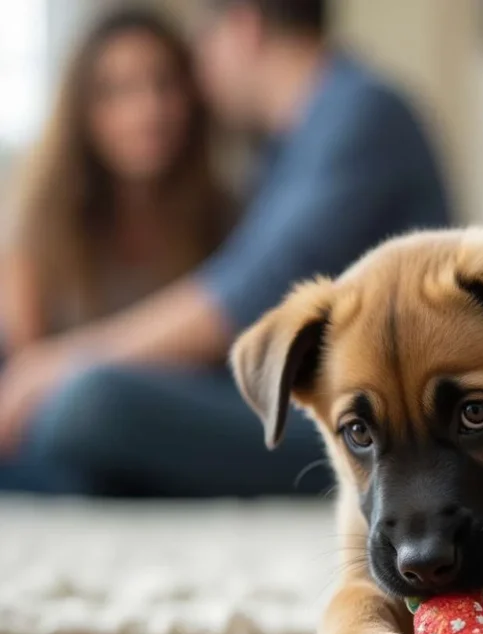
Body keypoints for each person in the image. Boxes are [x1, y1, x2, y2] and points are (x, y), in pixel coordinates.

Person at [0, 0, 451, 497]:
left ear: (244, 26)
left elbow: (242, 298)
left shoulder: (360, 114)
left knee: (89, 402)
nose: (201, 75)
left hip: (370, 420)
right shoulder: (290, 145)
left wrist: (58, 366)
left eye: (201, 47)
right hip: (296, 397)